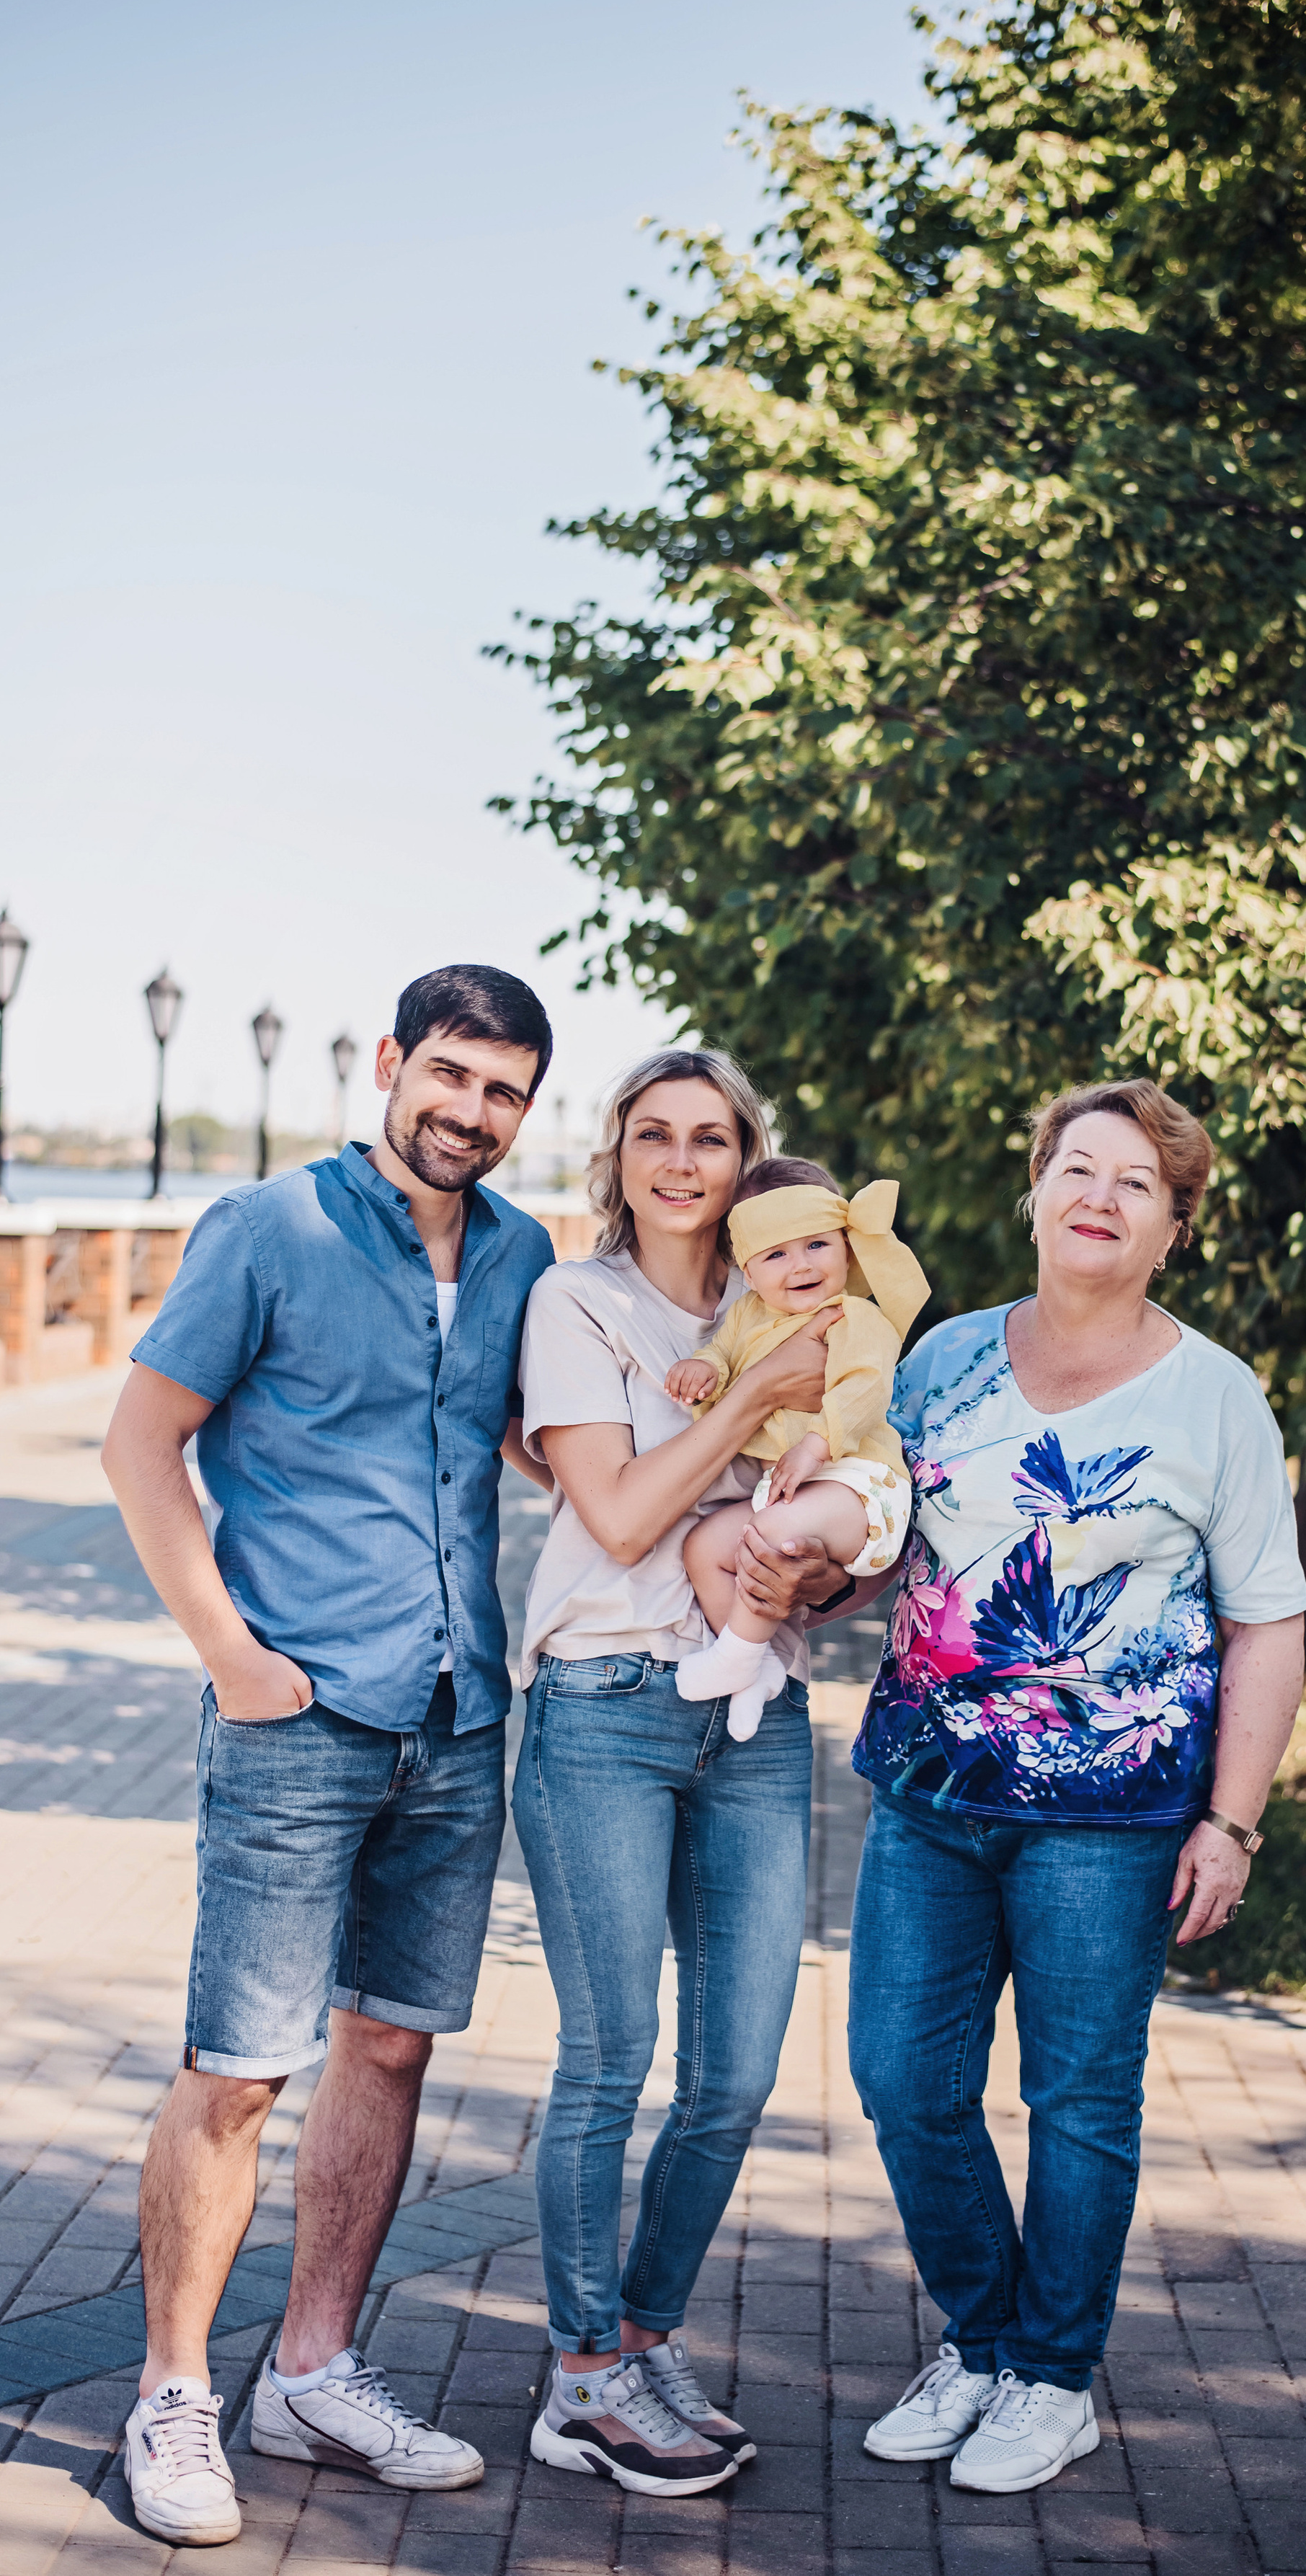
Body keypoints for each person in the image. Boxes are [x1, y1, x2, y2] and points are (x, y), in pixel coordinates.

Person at [101, 964, 557, 2549]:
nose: (470, 1114)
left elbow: (527, 1438)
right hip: (297, 1720)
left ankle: (312, 2372)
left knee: (389, 2051)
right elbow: (138, 1441)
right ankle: (172, 2394)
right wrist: (232, 1660)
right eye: (449, 1076)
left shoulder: (521, 1255)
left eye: (502, 1092)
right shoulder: (269, 1232)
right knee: (238, 2070)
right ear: (388, 1066)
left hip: (456, 1720)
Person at [846, 1078, 1306, 2497]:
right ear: (1035, 1190)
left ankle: (1052, 2380)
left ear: (1171, 1226)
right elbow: (878, 1540)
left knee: (1076, 2104)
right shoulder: (938, 1362)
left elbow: (1267, 1620)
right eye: (1074, 1167)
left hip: (1105, 1825)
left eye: (1131, 1183)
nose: (1095, 1196)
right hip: (927, 1793)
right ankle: (986, 2344)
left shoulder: (1211, 1394)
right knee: (901, 2083)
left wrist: (1229, 1823)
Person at [511, 1049, 857, 2496]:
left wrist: (821, 1561)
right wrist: (744, 1401)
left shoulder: (789, 1292)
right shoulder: (574, 1304)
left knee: (736, 2073)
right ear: (619, 1157)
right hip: (598, 1700)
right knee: (608, 2060)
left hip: (752, 1714)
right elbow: (623, 1506)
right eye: (651, 1133)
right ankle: (580, 2373)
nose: (679, 1160)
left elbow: (836, 1496)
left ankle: (642, 2337)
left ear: (744, 1160)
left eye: (709, 1138)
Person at [667, 1160, 928, 1737]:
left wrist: (818, 1444)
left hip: (861, 1489)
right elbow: (723, 1354)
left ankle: (733, 1655)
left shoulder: (852, 1316)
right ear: (749, 1271)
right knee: (704, 1546)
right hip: (798, 1493)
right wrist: (702, 1368)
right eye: (777, 1254)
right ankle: (758, 1666)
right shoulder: (747, 1316)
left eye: (816, 1244)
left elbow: (866, 1385)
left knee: (770, 1537)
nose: (801, 1264)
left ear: (846, 1247)